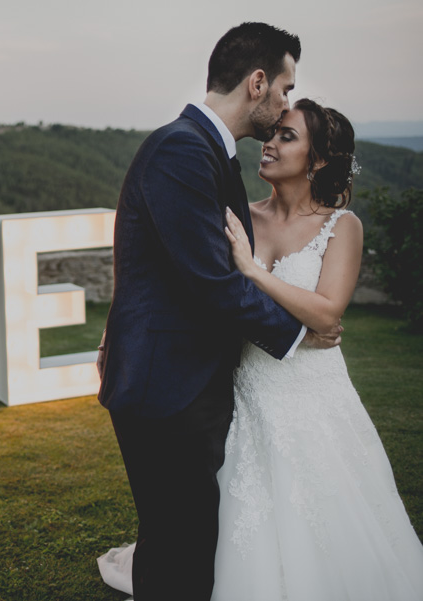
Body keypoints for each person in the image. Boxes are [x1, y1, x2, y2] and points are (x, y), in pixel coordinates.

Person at [99, 99, 423, 599]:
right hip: (245, 387)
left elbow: (327, 313)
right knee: (228, 511)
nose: (269, 143)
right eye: (272, 134)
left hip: (311, 392)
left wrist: (253, 272)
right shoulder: (241, 218)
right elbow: (198, 281)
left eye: (287, 136)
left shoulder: (342, 226)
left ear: (318, 160)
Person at [94, 23, 343, 601]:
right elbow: (211, 280)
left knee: (184, 543)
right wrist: (297, 334)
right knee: (179, 551)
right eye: (284, 89)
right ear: (257, 82)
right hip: (166, 387)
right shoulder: (183, 148)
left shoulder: (209, 152)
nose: (285, 103)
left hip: (182, 382)